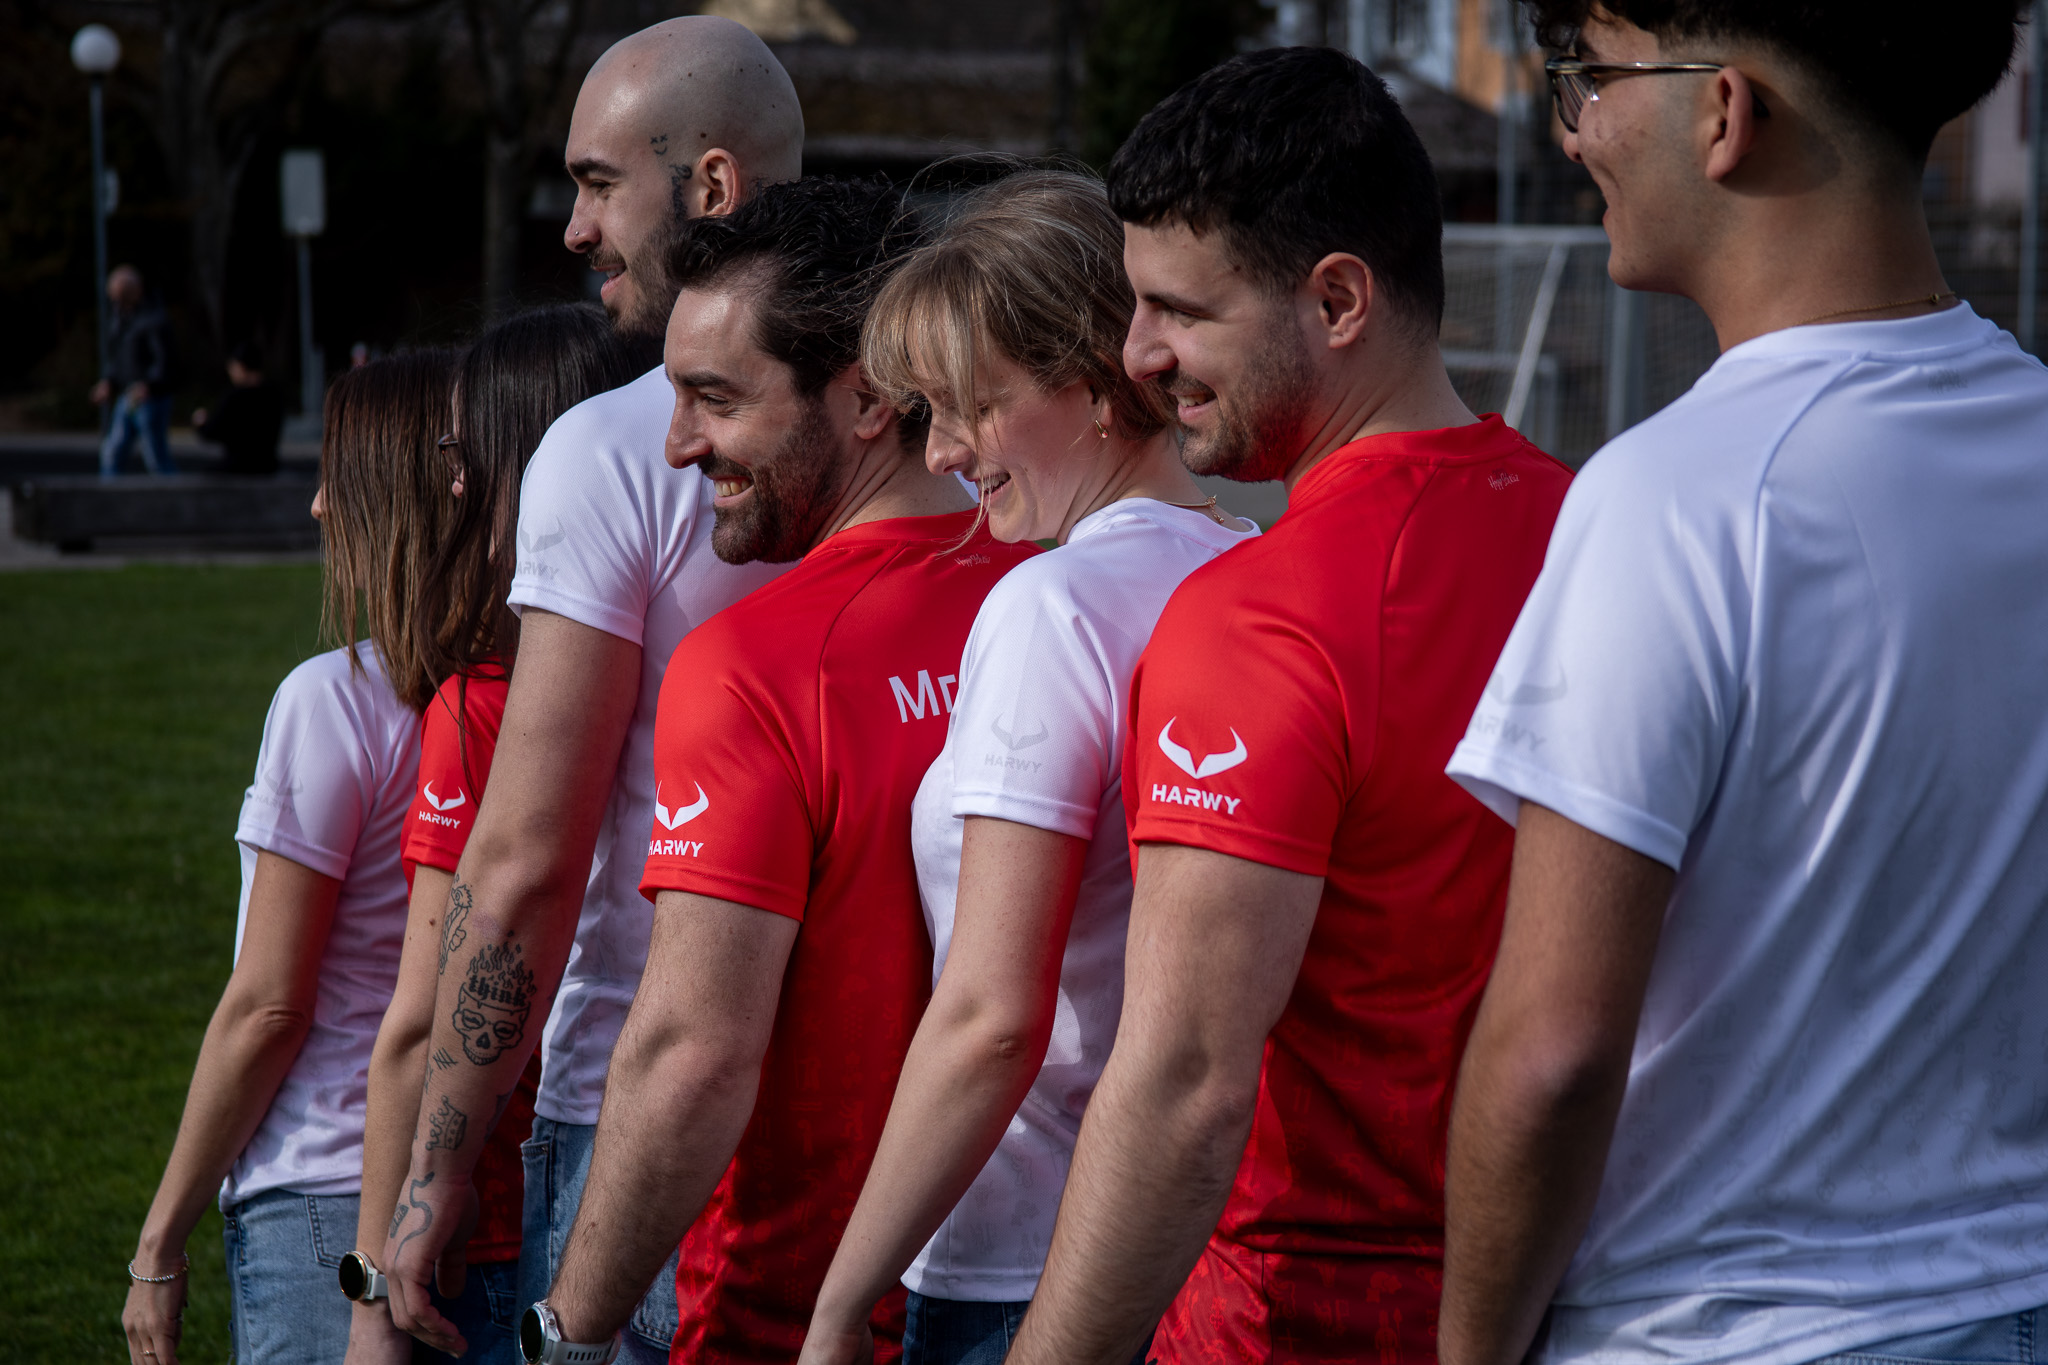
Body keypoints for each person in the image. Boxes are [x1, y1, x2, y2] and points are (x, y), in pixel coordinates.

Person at [1438, 4, 2048, 1365]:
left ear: (1725, 112)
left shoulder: (1676, 496)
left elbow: (1551, 1055)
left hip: (1721, 1328)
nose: (1573, 128)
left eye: (1592, 77)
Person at [1002, 48, 1574, 1365]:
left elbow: (1183, 1087)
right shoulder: (1596, 529)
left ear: (1336, 299)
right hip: (1561, 1291)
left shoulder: (1259, 616)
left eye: (1179, 310)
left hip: (1296, 1310)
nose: (1137, 354)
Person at [521, 176, 1037, 1365]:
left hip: (793, 1311)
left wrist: (571, 1327)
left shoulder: (756, 664)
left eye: (714, 398)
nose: (677, 445)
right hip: (1057, 1276)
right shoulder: (1049, 595)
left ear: (865, 398)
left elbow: (691, 1052)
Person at [382, 18, 804, 1363]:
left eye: (599, 184)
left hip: (638, 1105)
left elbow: (523, 860)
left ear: (712, 186)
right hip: (882, 1104)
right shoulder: (925, 424)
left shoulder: (611, 450)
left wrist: (433, 1172)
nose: (574, 229)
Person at [798, 169, 1259, 1365]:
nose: (944, 450)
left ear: (1096, 383)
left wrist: (841, 1302)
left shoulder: (1052, 607)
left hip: (1017, 1255)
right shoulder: (1247, 570)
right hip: (1193, 1244)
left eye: (975, 406)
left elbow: (993, 1019)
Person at [120, 351, 459, 1365]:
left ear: (388, 496)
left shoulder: (329, 702)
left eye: (333, 478)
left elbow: (269, 1004)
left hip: (318, 1194)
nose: (317, 507)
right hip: (451, 1180)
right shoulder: (508, 699)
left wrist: (158, 1244)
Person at [344, 306, 640, 1365]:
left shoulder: (479, 709)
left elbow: (421, 1019)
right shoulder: (678, 665)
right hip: (666, 1183)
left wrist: (370, 1292)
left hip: (503, 1219)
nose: (455, 484)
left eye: (465, 455)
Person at [93, 264, 178, 477]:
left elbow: (164, 359)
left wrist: (149, 384)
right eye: (114, 297)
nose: (117, 302)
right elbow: (120, 356)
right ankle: (108, 494)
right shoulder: (123, 317)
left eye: (122, 295)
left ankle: (173, 493)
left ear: (136, 290)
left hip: (150, 397)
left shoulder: (154, 317)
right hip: (128, 394)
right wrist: (110, 381)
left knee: (156, 456)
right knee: (112, 452)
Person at [193, 342, 286, 476]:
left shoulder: (234, 397)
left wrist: (201, 423)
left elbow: (212, 431)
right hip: (267, 464)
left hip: (237, 465)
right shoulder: (274, 395)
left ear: (241, 366)